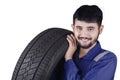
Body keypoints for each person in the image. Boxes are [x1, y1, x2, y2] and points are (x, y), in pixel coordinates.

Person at [64, 5, 117, 80]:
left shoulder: (107, 59)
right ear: (73, 28)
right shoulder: (63, 50)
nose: (84, 34)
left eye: (90, 29)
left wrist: (68, 58)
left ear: (100, 30)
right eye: (79, 28)